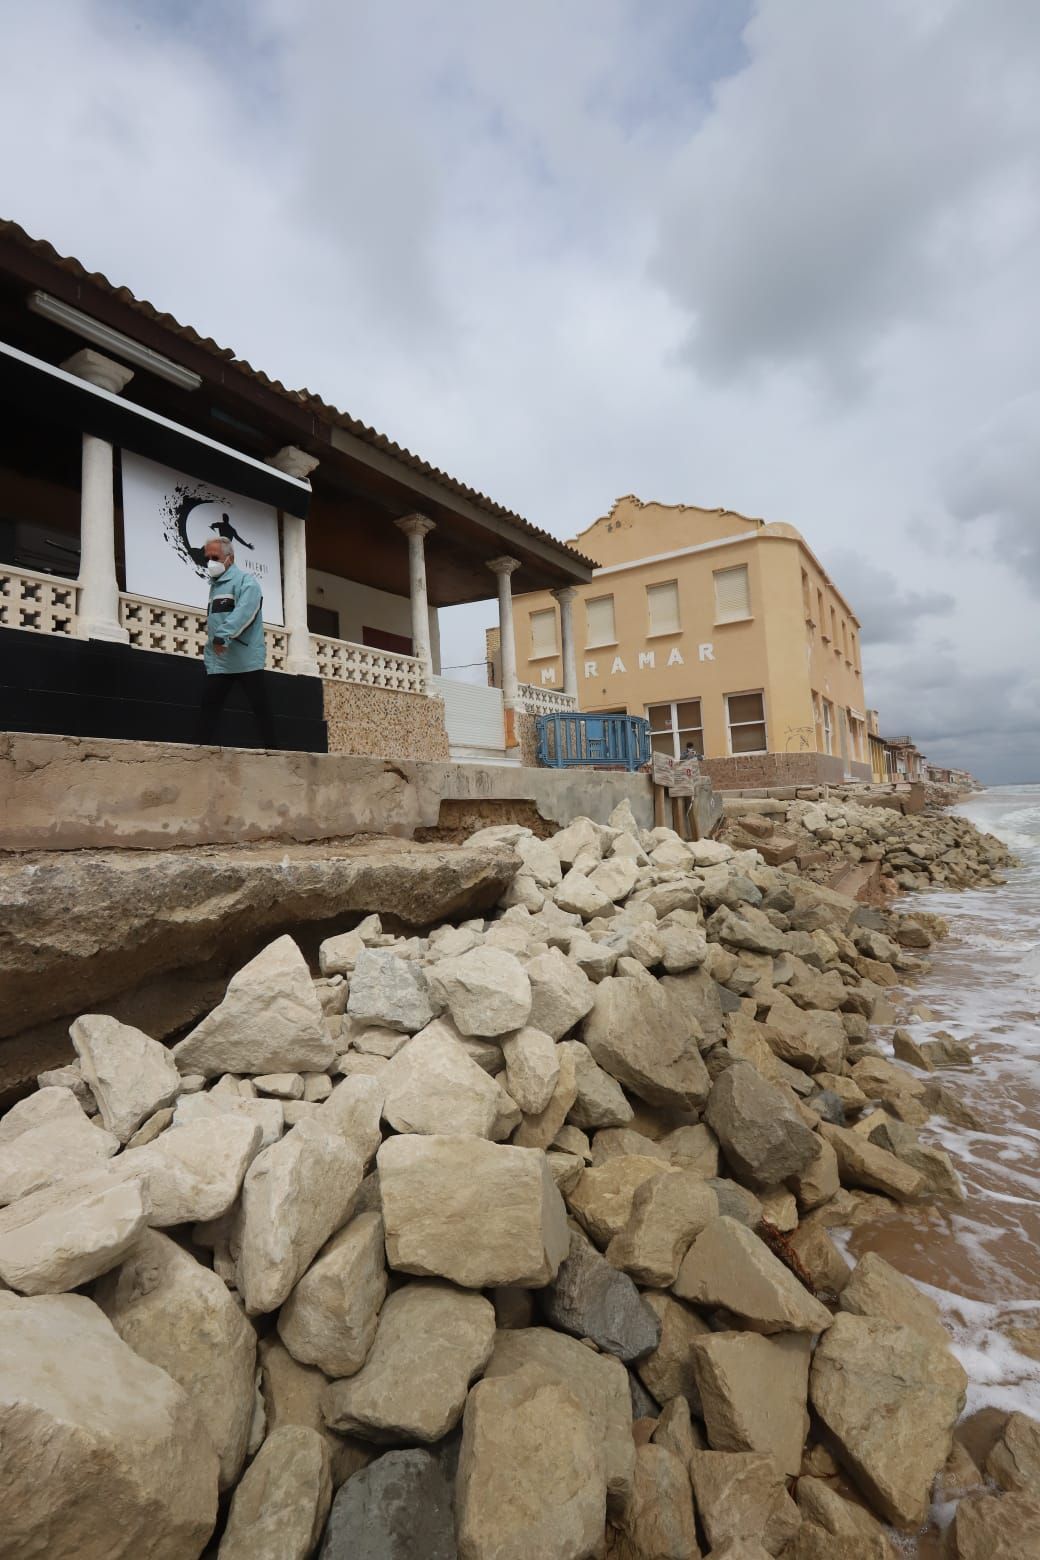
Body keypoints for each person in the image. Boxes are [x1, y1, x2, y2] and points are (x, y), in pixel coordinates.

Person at [197, 537, 276, 749]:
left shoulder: (247, 582)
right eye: (208, 558)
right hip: (220, 661)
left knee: (261, 708)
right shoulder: (215, 586)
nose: (210, 562)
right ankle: (199, 754)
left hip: (246, 658)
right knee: (209, 706)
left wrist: (223, 636)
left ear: (229, 559)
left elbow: (245, 613)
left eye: (215, 557)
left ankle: (277, 754)